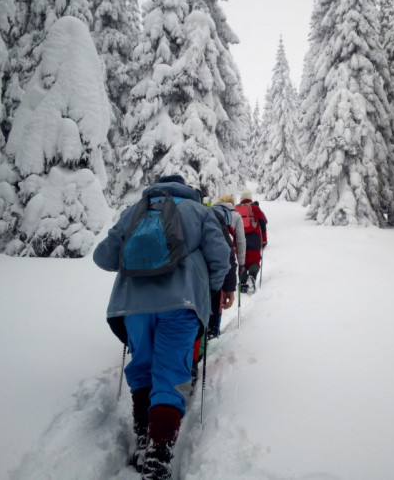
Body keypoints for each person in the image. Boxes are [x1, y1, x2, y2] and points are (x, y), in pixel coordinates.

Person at [93, 174, 231, 479]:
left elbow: (103, 256)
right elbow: (220, 257)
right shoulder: (198, 211)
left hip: (131, 305)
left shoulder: (135, 210)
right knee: (174, 375)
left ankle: (143, 436)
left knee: (142, 368)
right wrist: (210, 289)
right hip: (180, 304)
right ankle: (159, 452)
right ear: (187, 189)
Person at [207, 194, 246, 337]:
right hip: (225, 260)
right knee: (219, 294)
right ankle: (213, 330)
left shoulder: (208, 212)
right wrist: (241, 264)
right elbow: (241, 242)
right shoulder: (235, 215)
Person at [235, 189, 267, 294]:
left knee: (242, 261)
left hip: (240, 238)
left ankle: (243, 283)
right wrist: (264, 240)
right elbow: (263, 222)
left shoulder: (236, 209)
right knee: (254, 260)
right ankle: (252, 277)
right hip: (254, 237)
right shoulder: (255, 208)